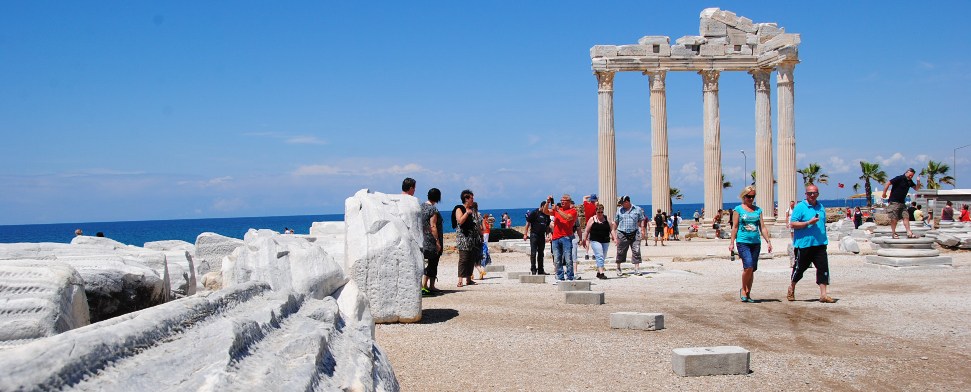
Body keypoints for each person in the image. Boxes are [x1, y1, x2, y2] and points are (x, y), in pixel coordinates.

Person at [788, 184, 835, 303]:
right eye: (810, 193)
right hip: (804, 244)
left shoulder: (821, 206)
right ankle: (792, 287)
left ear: (818, 194)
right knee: (799, 269)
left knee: (823, 268)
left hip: (820, 243)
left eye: (814, 193)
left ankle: (823, 294)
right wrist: (808, 222)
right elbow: (793, 224)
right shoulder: (800, 207)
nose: (812, 195)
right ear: (806, 194)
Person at [729, 186, 773, 303]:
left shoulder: (758, 210)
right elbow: (735, 227)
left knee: (752, 268)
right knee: (748, 266)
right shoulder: (738, 210)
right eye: (749, 196)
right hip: (743, 241)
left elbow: (762, 227)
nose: (751, 199)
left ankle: (748, 292)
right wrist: (731, 242)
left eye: (753, 196)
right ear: (744, 196)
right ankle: (743, 289)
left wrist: (768, 241)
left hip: (755, 242)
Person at [542, 194, 578, 281]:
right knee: (557, 259)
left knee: (568, 258)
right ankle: (560, 277)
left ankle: (570, 277)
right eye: (561, 200)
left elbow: (568, 218)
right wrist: (548, 202)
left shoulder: (573, 211)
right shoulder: (558, 210)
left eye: (564, 200)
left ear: (569, 202)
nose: (562, 201)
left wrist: (557, 210)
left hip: (566, 237)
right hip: (555, 238)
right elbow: (545, 211)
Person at [451, 190, 481, 287]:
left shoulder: (473, 209)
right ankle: (460, 280)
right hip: (463, 237)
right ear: (466, 199)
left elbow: (476, 223)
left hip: (472, 237)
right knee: (464, 258)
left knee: (471, 258)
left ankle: (469, 278)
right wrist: (467, 213)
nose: (473, 200)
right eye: (471, 198)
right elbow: (460, 221)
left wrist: (480, 234)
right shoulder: (459, 208)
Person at [881, 168, 921, 239]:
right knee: (894, 218)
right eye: (910, 175)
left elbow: (917, 189)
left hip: (902, 202)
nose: (911, 177)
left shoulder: (909, 181)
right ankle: (893, 233)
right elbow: (888, 183)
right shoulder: (899, 178)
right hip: (894, 201)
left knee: (906, 217)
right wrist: (884, 193)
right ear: (907, 172)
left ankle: (909, 232)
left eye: (912, 176)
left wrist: (918, 181)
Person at [614, 196, 646, 276]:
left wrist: (642, 230)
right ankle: (618, 267)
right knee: (620, 251)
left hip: (635, 232)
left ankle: (637, 268)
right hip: (622, 232)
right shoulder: (619, 210)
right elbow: (616, 222)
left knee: (636, 250)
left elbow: (642, 219)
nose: (621, 205)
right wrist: (613, 233)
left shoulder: (637, 209)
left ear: (627, 202)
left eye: (622, 203)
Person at [420, 188, 444, 296]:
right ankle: (429, 286)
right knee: (433, 263)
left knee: (426, 262)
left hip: (422, 238)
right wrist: (437, 241)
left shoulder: (420, 207)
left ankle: (424, 285)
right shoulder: (433, 209)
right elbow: (433, 226)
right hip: (431, 240)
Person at [583, 203, 616, 280]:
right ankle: (601, 273)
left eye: (601, 212)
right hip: (595, 240)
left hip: (605, 240)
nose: (600, 214)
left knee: (603, 256)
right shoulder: (592, 219)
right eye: (599, 212)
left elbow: (611, 229)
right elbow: (587, 231)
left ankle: (598, 272)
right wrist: (584, 240)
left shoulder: (607, 218)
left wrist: (615, 238)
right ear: (596, 212)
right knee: (599, 255)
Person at [524, 200, 551, 275]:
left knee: (541, 253)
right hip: (534, 235)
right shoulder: (535, 213)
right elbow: (527, 223)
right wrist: (525, 234)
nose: (546, 209)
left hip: (542, 236)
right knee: (533, 253)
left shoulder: (547, 215)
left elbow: (547, 227)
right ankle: (533, 269)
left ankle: (541, 270)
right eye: (545, 207)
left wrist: (548, 235)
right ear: (542, 206)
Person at [477, 210, 493, 280]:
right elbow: (483, 228)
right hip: (484, 234)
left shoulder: (485, 221)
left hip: (485, 235)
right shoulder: (483, 221)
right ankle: (479, 272)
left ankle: (479, 272)